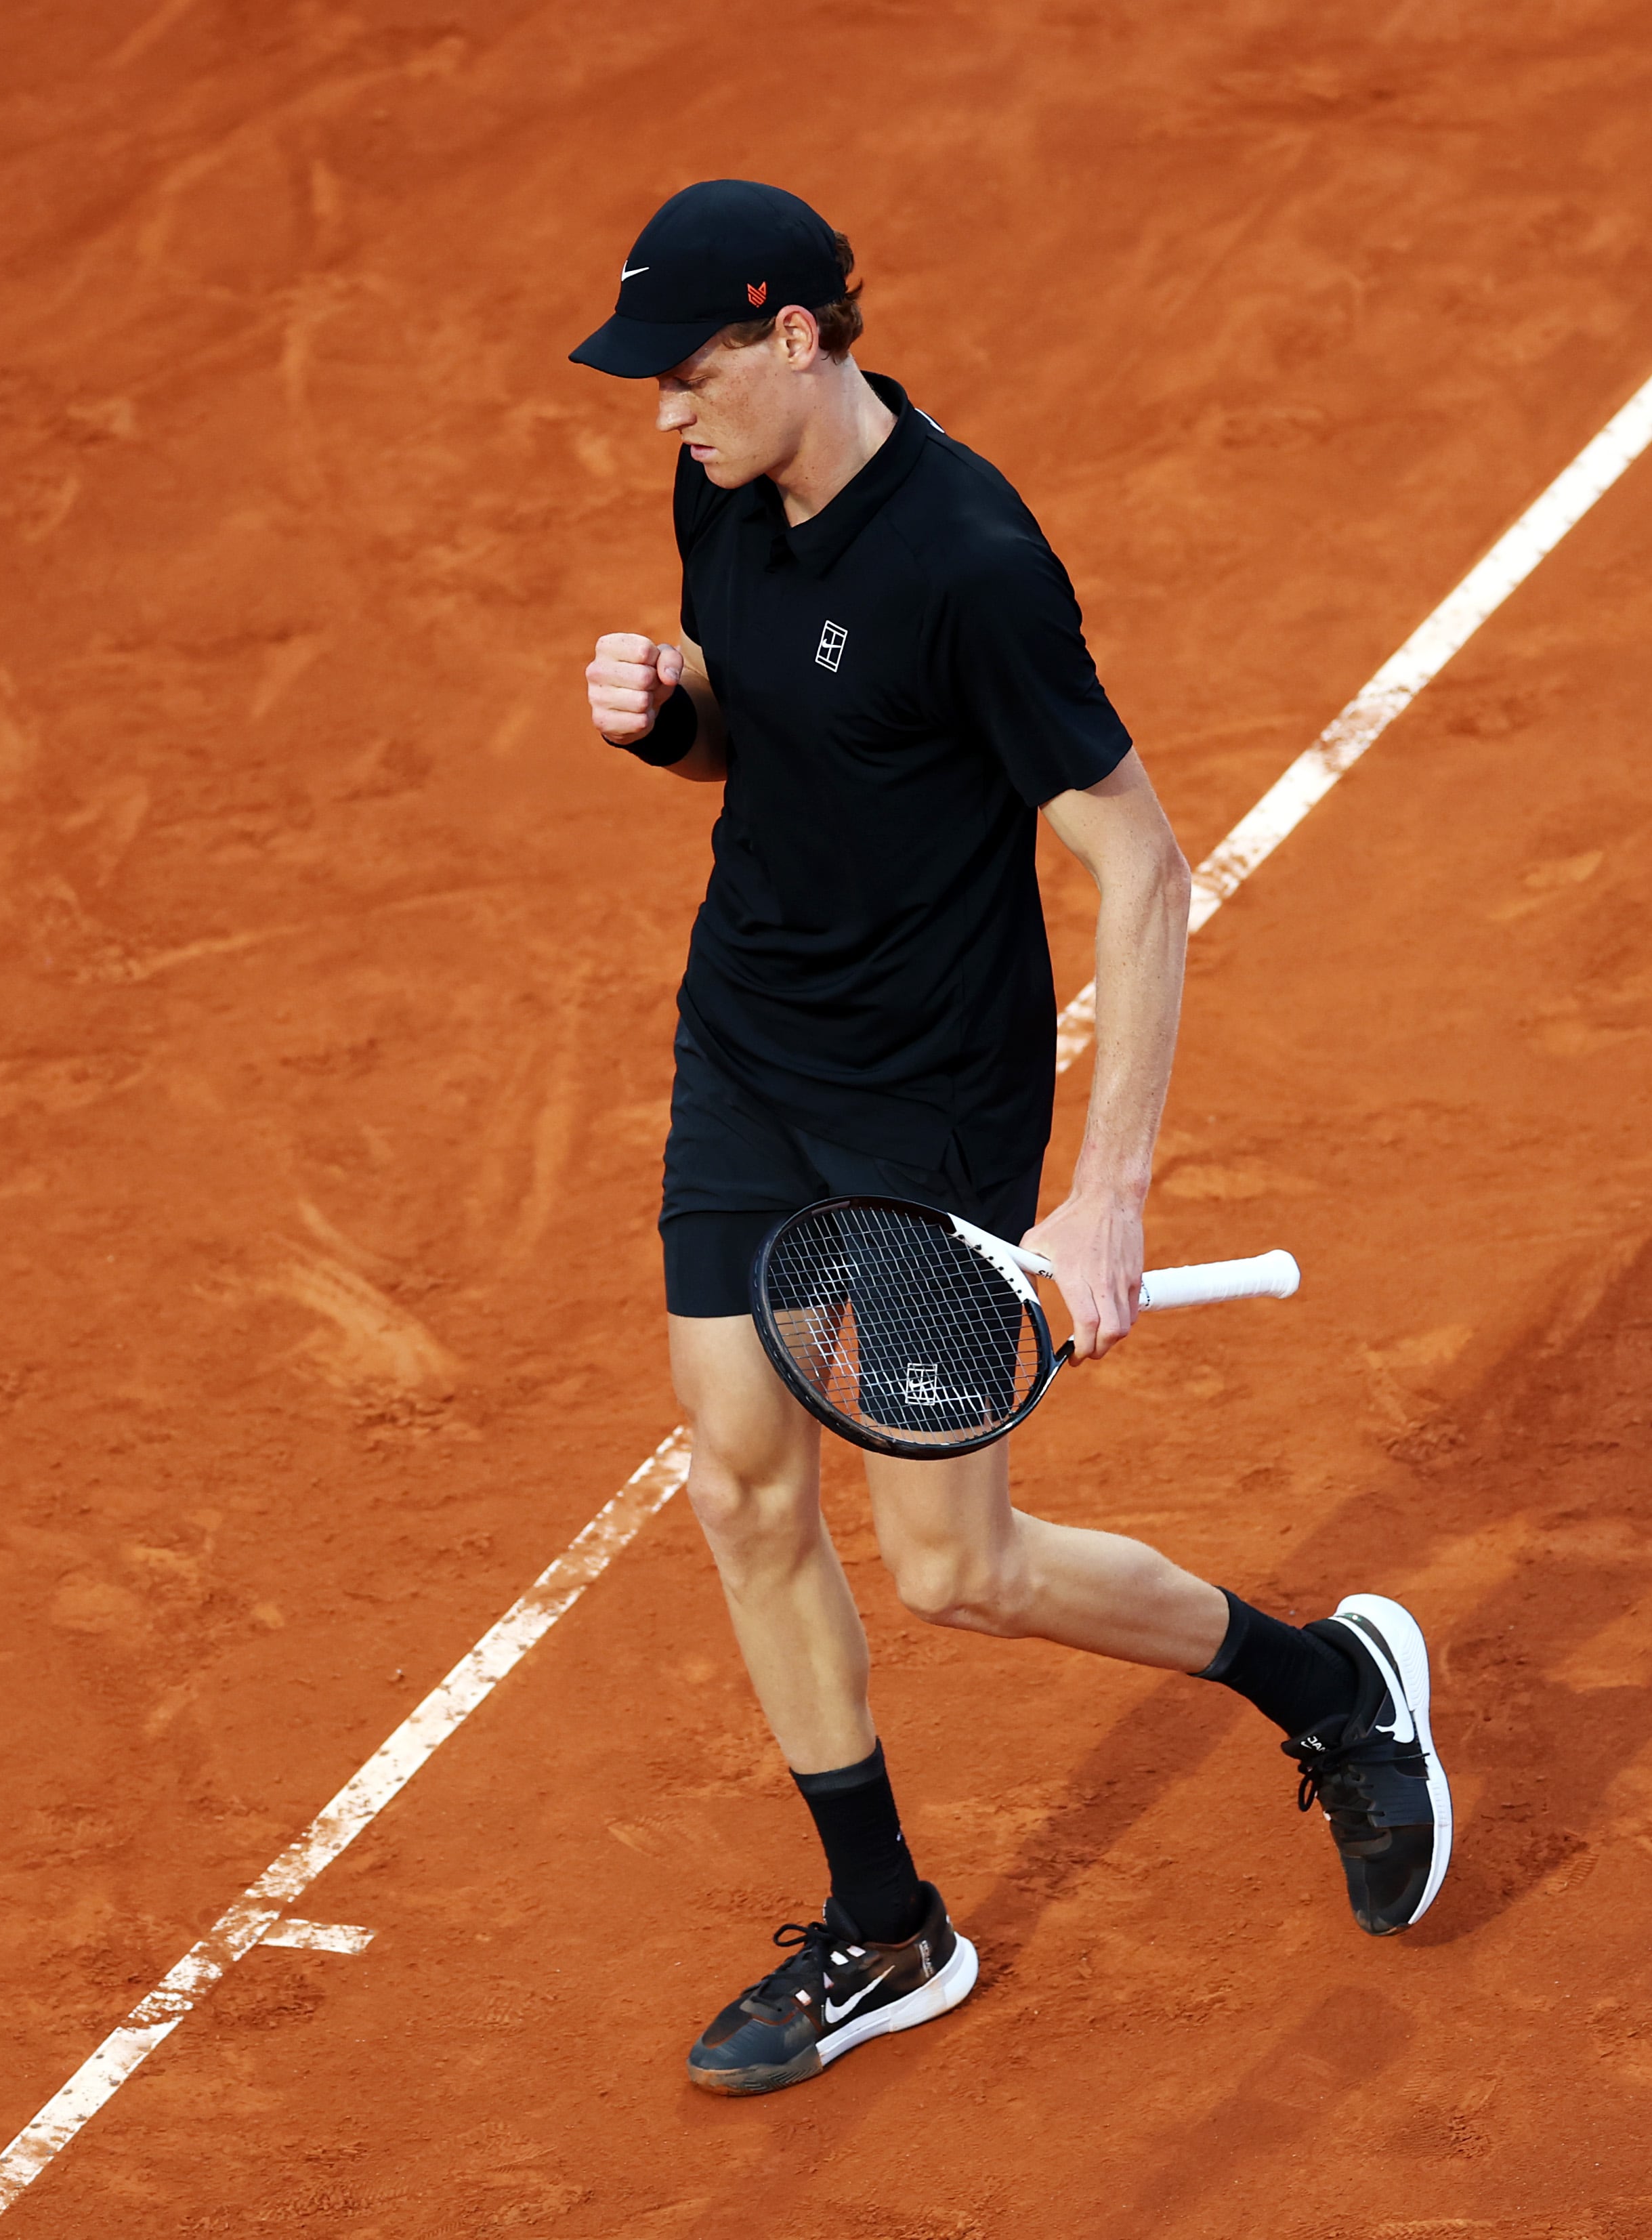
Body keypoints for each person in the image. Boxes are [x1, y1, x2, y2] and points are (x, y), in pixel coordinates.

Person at [570, 179, 1445, 2098]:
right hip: (749, 1050)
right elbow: (769, 736)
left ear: (798, 334)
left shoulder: (971, 559)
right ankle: (886, 1921)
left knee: (958, 1567)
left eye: (691, 369)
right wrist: (672, 716)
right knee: (738, 1481)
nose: (664, 412)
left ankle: (1330, 1683)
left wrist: (1111, 1189)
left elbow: (1138, 862)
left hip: (925, 1111)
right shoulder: (725, 490)